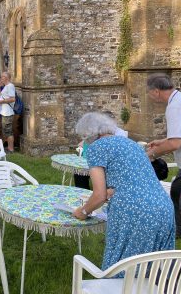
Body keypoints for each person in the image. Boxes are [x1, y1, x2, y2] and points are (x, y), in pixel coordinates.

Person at [73, 112, 175, 272]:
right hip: (164, 207)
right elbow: (133, 180)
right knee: (155, 272)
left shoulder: (96, 148)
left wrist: (83, 211)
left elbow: (98, 195)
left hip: (134, 211)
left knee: (122, 268)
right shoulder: (131, 144)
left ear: (88, 134)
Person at [146, 73, 181, 238]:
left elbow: (175, 144)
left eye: (149, 92)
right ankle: (175, 233)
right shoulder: (178, 98)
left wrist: (151, 154)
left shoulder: (174, 106)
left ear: (156, 91)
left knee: (177, 195)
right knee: (176, 190)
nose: (150, 96)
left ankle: (175, 235)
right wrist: (163, 141)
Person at [0, 71, 16, 153]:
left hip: (8, 112)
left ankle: (11, 149)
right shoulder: (6, 87)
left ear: (6, 78)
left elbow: (13, 99)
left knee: (8, 131)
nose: (0, 78)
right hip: (4, 112)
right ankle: (9, 147)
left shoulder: (10, 86)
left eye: (2, 77)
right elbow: (1, 97)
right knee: (6, 130)